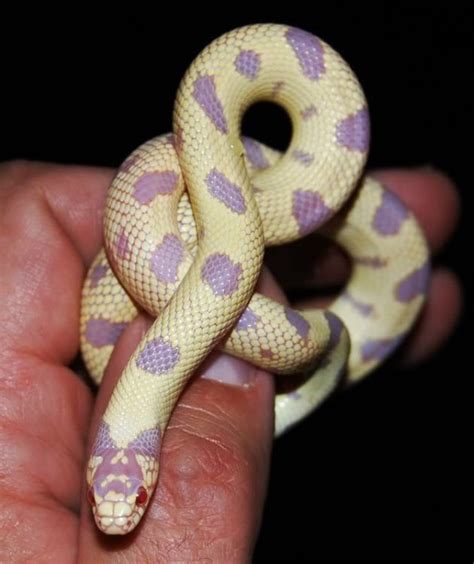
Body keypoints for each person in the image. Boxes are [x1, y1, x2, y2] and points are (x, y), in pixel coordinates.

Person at [0, 161, 461, 561]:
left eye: (136, 497)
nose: (118, 518)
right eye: (139, 497)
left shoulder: (115, 372)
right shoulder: (116, 376)